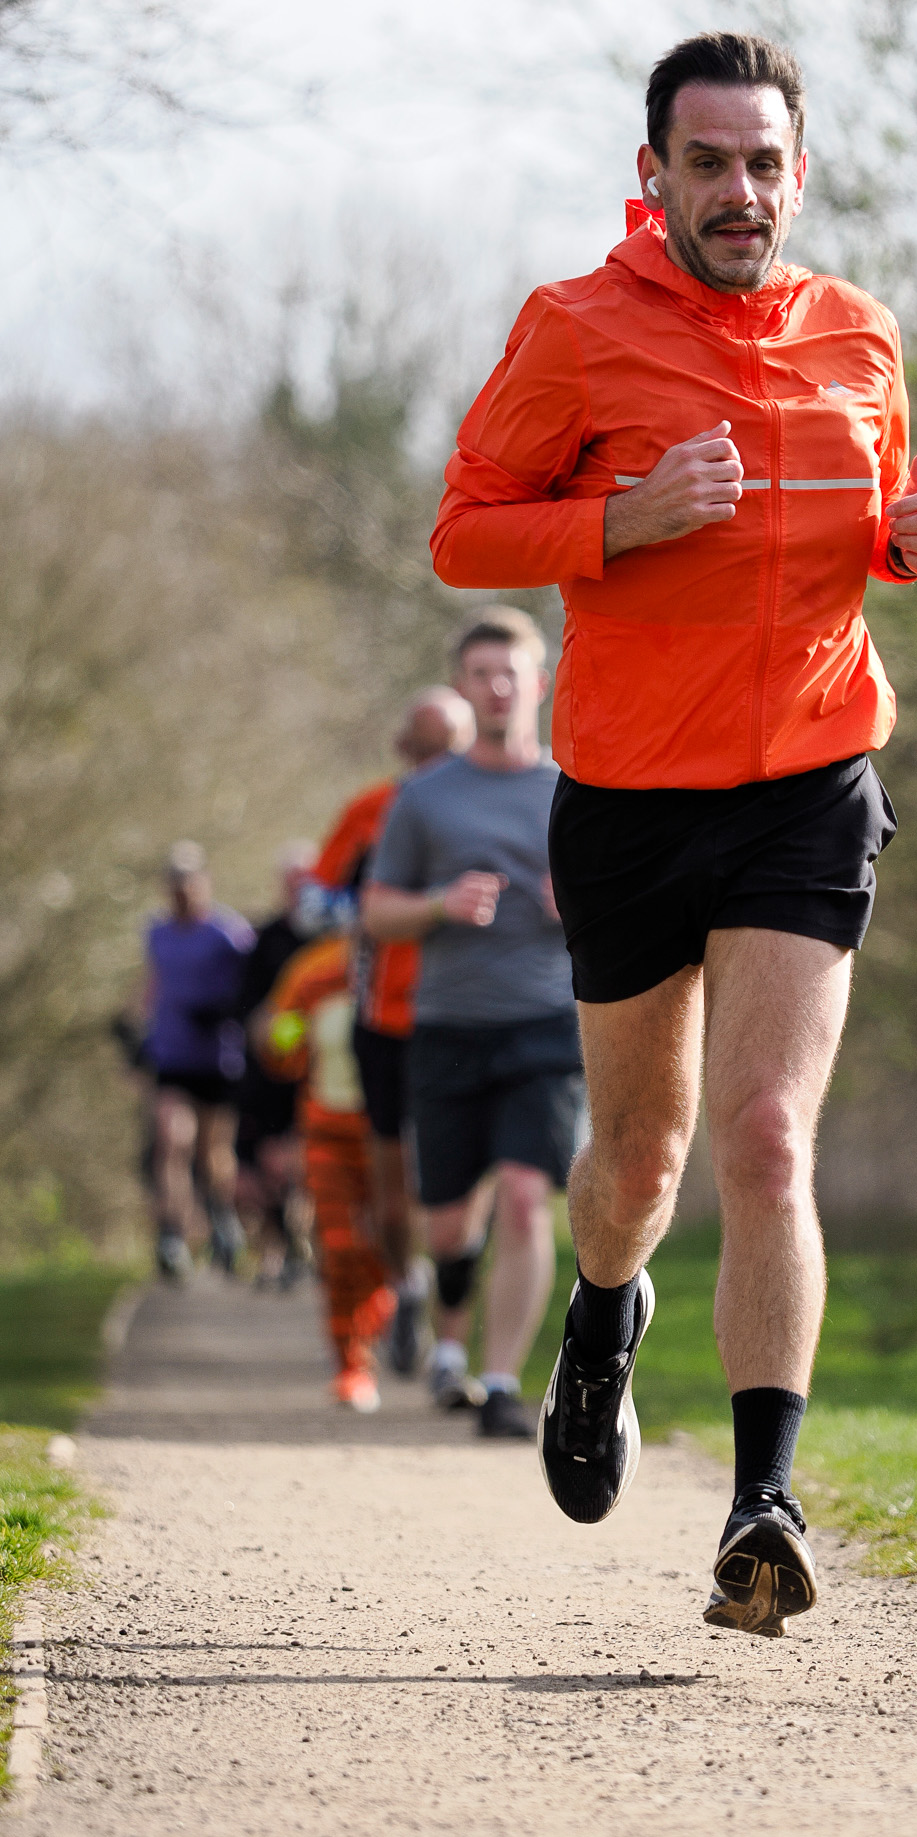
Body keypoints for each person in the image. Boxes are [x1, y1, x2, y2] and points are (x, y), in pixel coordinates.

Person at [431, 32, 917, 1634]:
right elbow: (462, 533)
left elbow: (862, 530)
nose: (742, 192)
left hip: (809, 779)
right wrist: (616, 521)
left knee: (770, 1137)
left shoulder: (857, 336)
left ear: (801, 171)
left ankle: (762, 1504)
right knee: (638, 1164)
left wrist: (908, 542)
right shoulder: (574, 331)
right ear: (654, 169)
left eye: (766, 162)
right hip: (635, 803)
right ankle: (603, 1317)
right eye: (711, 161)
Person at [362, 609, 582, 1441]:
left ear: (539, 682)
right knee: (450, 1221)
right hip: (449, 1025)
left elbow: (632, 908)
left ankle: (499, 1383)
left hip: (548, 1023)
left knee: (526, 1199)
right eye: (480, 673)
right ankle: (448, 1335)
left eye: (510, 673)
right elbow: (377, 913)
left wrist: (584, 908)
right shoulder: (424, 798)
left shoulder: (574, 788)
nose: (496, 687)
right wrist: (438, 905)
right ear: (461, 685)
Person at [313, 687, 474, 1374]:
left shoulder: (493, 807)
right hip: (385, 1014)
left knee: (459, 1172)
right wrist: (360, 911)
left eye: (452, 748)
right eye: (428, 747)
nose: (440, 761)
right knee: (391, 1173)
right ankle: (406, 1285)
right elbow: (316, 900)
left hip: (469, 1012)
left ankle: (452, 1311)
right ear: (403, 749)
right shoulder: (371, 810)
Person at [256, 931, 395, 1412]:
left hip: (393, 1136)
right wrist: (281, 1028)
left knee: (387, 1242)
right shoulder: (314, 968)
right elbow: (280, 1051)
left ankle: (388, 1314)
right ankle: (350, 1365)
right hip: (327, 1132)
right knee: (339, 1245)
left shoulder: (415, 961)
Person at [141, 841, 256, 1280]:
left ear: (203, 883)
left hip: (218, 1058)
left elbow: (254, 983)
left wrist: (227, 1010)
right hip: (171, 1053)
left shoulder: (229, 932)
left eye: (188, 882)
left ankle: (222, 1221)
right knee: (172, 1139)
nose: (181, 891)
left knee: (212, 1153)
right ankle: (172, 1234)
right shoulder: (156, 932)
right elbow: (152, 982)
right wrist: (136, 1028)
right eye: (174, 883)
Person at [234, 840, 317, 1288]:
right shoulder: (264, 940)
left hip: (320, 1074)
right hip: (269, 1075)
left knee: (305, 1166)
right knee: (263, 1171)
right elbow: (247, 1011)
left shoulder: (332, 937)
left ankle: (305, 1246)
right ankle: (272, 1252)